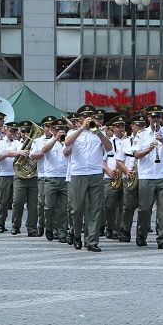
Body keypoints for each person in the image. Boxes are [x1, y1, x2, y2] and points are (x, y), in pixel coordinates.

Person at [64, 105, 112, 252]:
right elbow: (67, 143)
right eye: (85, 117)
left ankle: (92, 241)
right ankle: (76, 234)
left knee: (95, 208)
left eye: (91, 116)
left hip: (95, 173)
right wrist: (81, 129)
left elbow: (109, 147)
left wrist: (99, 133)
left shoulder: (98, 133)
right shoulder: (73, 132)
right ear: (80, 119)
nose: (89, 119)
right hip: (78, 173)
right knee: (76, 209)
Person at [134, 105, 163, 249]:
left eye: (158, 117)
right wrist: (149, 149)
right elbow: (136, 154)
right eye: (153, 117)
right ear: (148, 118)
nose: (156, 119)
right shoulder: (141, 134)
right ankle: (141, 233)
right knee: (145, 208)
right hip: (146, 175)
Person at [39, 119, 70, 242]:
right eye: (57, 129)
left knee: (64, 207)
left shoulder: (68, 141)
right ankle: (49, 227)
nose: (60, 131)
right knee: (49, 206)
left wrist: (65, 141)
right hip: (50, 177)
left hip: (65, 177)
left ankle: (62, 233)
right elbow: (43, 151)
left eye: (62, 129)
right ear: (52, 130)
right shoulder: (47, 141)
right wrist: (56, 139)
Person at [11, 121, 40, 236]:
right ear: (20, 132)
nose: (26, 134)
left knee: (33, 204)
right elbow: (6, 153)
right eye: (23, 131)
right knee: (18, 202)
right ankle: (15, 225)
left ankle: (32, 228)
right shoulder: (16, 143)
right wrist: (19, 152)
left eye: (28, 131)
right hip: (19, 176)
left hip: (33, 176)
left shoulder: (37, 142)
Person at [102, 116, 127, 239]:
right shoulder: (108, 142)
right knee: (109, 205)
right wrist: (108, 170)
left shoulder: (129, 141)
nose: (120, 129)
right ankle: (110, 226)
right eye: (118, 127)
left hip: (125, 177)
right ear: (113, 128)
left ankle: (119, 229)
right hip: (111, 177)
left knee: (124, 205)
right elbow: (101, 160)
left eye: (122, 126)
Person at [0, 122, 21, 233]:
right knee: (3, 201)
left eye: (15, 131)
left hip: (17, 174)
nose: (12, 133)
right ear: (6, 131)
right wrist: (8, 153)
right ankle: (0, 223)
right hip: (4, 174)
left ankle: (16, 225)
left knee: (17, 202)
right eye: (11, 131)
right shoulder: (0, 143)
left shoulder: (20, 142)